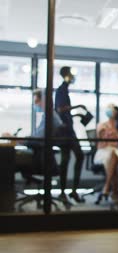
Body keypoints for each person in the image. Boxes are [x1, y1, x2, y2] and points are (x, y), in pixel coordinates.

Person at [3, 89, 63, 184]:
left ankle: (7, 195)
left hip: (39, 160)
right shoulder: (47, 117)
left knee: (6, 162)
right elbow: (37, 137)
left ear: (43, 100)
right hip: (40, 156)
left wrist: (17, 140)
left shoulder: (50, 118)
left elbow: (38, 141)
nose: (35, 105)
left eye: (36, 102)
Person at [55, 66, 86, 203]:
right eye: (71, 75)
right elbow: (60, 109)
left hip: (69, 130)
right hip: (64, 132)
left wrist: (77, 112)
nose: (73, 77)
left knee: (78, 156)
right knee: (66, 160)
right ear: (66, 75)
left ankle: (73, 191)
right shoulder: (61, 90)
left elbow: (64, 111)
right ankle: (63, 192)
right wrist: (77, 107)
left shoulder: (65, 90)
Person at [94, 104, 118, 203]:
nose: (109, 110)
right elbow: (102, 143)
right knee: (113, 160)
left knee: (114, 154)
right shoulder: (101, 125)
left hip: (115, 151)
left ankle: (107, 186)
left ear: (116, 112)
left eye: (112, 108)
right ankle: (114, 193)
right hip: (103, 151)